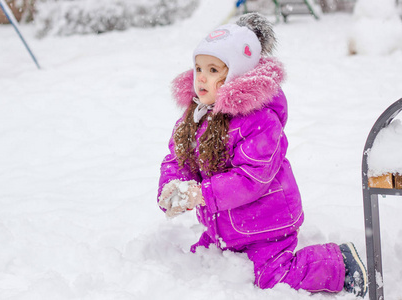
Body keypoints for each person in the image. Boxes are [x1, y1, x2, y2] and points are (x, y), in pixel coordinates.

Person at [157, 13, 368, 297]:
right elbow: (178, 159)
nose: (201, 78)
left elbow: (250, 178)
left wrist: (200, 195)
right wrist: (172, 188)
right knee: (201, 265)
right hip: (223, 225)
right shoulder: (194, 119)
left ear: (236, 75)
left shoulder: (259, 121)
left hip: (267, 224)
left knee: (273, 276)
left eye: (213, 70)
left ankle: (339, 264)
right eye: (197, 68)